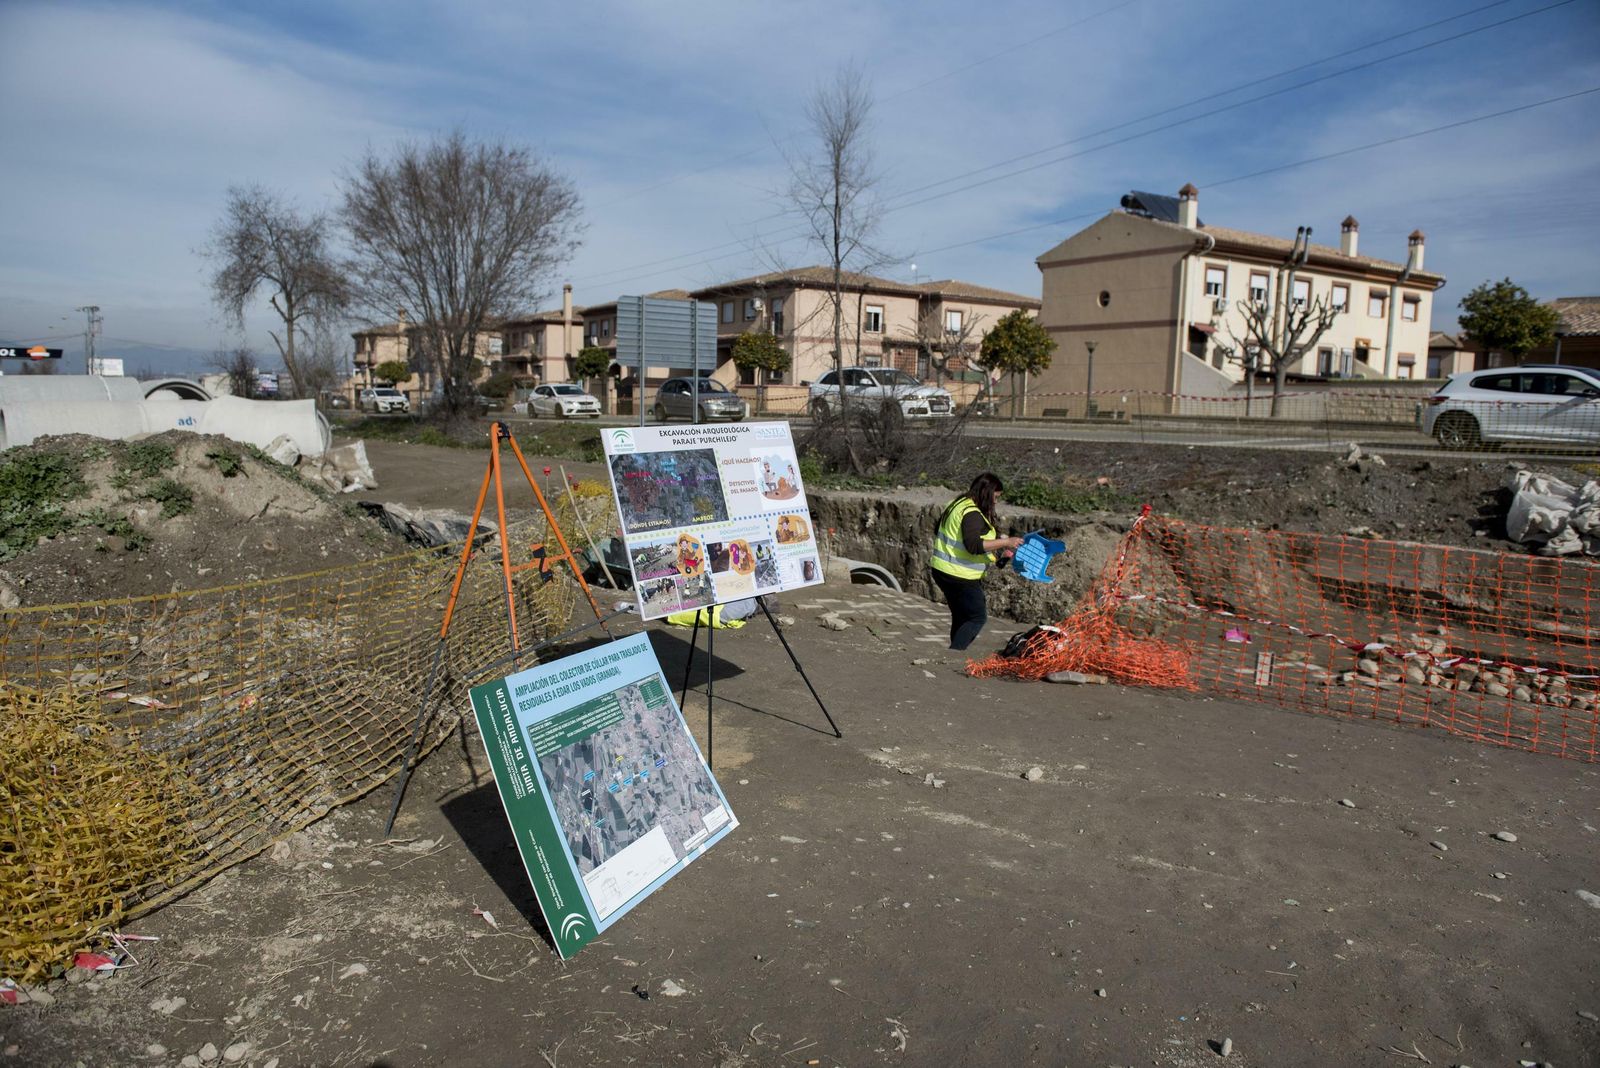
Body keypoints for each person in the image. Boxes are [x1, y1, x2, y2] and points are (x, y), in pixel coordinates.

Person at [929, 472, 1023, 651]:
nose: (996, 502)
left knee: (961, 615)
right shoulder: (972, 513)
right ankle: (954, 653)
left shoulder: (958, 504)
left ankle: (954, 651)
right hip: (960, 575)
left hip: (942, 570)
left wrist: (998, 542)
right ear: (986, 492)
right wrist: (1006, 542)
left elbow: (959, 532)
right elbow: (973, 545)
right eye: (995, 497)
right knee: (977, 617)